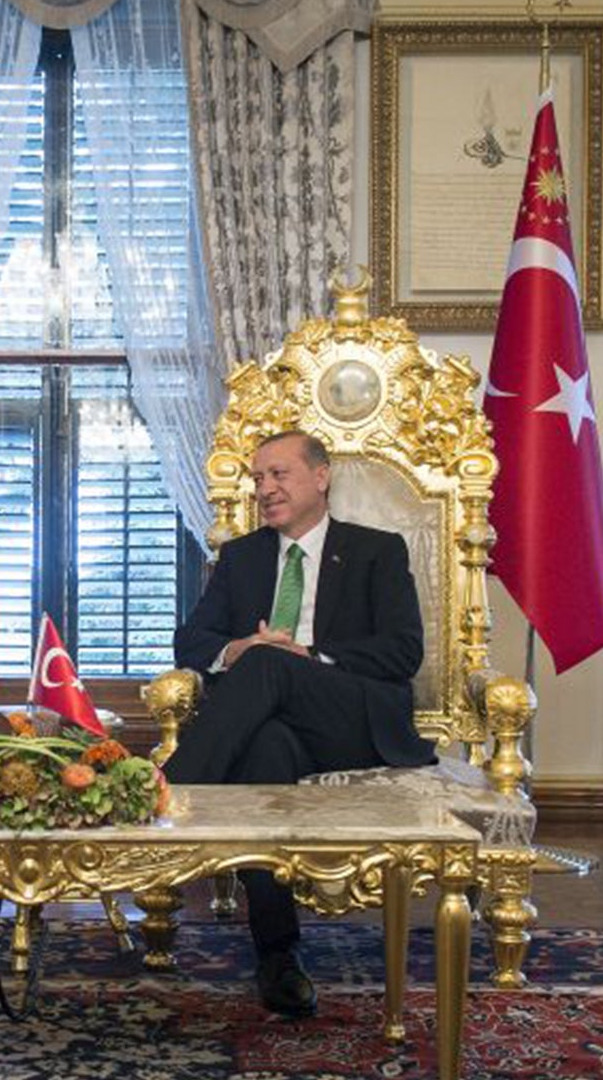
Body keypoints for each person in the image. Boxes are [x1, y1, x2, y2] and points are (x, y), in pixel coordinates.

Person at [165, 429, 435, 1019]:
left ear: (320, 476)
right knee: (265, 749)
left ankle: (164, 798)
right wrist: (238, 649)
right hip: (275, 723)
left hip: (352, 719)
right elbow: (190, 641)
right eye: (258, 478)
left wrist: (307, 657)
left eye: (279, 474)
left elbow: (402, 652)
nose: (265, 489)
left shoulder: (376, 550)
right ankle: (279, 956)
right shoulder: (242, 557)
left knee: (272, 663)